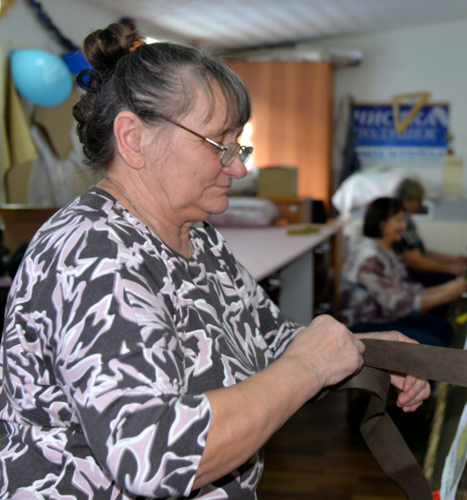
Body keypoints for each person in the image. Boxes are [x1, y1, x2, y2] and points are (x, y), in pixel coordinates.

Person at [0, 24, 429, 498]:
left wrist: (366, 351)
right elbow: (155, 456)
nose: (239, 167)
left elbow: (271, 346)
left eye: (238, 145)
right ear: (134, 138)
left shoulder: (197, 238)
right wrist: (309, 367)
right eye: (218, 144)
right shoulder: (91, 254)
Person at [339, 197, 467, 347]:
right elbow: (401, 306)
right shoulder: (370, 259)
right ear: (382, 224)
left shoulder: (386, 249)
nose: (404, 225)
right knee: (435, 342)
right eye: (398, 220)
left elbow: (407, 289)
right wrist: (448, 293)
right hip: (364, 326)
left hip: (386, 317)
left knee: (444, 327)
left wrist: (448, 287)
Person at [393, 178, 467, 286]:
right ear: (406, 202)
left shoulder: (407, 220)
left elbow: (422, 252)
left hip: (416, 272)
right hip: (411, 277)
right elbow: (416, 262)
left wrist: (453, 260)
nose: (421, 205)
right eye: (418, 200)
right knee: (454, 280)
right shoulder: (402, 224)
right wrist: (450, 268)